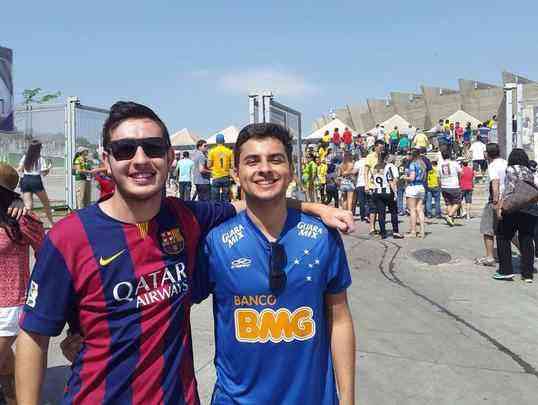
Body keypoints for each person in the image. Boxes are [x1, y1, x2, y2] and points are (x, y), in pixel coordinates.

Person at [18, 102, 354, 405]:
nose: (139, 160)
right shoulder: (69, 237)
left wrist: (311, 207)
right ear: (106, 160)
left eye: (152, 148)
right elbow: (33, 336)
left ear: (169, 157)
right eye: (124, 150)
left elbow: (254, 201)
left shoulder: (186, 218)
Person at [198, 122, 355, 404]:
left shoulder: (323, 237)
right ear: (236, 173)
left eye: (275, 159)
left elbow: (340, 319)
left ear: (291, 171)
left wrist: (348, 399)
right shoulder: (215, 242)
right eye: (252, 161)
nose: (265, 168)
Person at [0, 163, 45, 405]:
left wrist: (38, 290)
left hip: (9, 304)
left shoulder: (21, 220)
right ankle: (12, 398)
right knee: (5, 362)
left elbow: (46, 254)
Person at [493, 149, 538, 282]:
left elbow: (506, 190)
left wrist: (500, 208)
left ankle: (506, 271)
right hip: (530, 210)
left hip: (513, 209)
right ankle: (528, 274)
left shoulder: (509, 170)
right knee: (527, 238)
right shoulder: (531, 171)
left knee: (502, 236)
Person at [476, 143, 507, 267]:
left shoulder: (493, 166)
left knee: (487, 229)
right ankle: (526, 253)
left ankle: (490, 257)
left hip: (495, 201)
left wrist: (494, 202)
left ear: (488, 153)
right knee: (508, 230)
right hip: (507, 199)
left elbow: (495, 183)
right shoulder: (505, 163)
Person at [17, 139, 54, 226]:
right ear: (38, 149)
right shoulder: (40, 159)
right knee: (46, 203)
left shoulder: (25, 157)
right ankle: (52, 223)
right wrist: (49, 167)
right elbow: (44, 173)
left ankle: (24, 224)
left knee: (28, 206)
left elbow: (20, 169)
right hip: (36, 180)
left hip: (25, 180)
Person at [370, 154, 402, 238]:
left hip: (377, 191)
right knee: (393, 211)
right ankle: (395, 231)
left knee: (381, 213)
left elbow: (372, 180)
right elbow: (392, 180)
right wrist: (395, 193)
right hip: (387, 191)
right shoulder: (389, 167)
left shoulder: (375, 167)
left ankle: (383, 232)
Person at [365, 140, 385, 235]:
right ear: (375, 147)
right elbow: (366, 172)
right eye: (380, 148)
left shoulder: (382, 157)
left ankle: (381, 227)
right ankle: (372, 228)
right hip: (372, 186)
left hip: (381, 186)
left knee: (380, 208)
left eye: (382, 148)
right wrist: (366, 185)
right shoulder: (370, 157)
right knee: (373, 208)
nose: (381, 149)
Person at [405, 148, 427, 238]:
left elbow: (412, 178)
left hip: (413, 187)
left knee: (412, 210)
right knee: (420, 209)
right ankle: (422, 231)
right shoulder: (422, 164)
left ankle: (413, 231)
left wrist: (404, 177)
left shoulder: (413, 164)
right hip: (421, 187)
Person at [438, 148, 462, 226]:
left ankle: (450, 220)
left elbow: (438, 177)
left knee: (448, 203)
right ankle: (449, 215)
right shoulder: (454, 163)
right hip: (454, 185)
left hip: (444, 185)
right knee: (458, 202)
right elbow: (461, 172)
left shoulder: (439, 165)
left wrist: (440, 184)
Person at [208, 134, 234, 202]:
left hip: (216, 177)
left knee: (215, 199)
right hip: (226, 176)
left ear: (216, 141)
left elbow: (209, 165)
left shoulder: (212, 151)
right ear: (224, 141)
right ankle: (226, 211)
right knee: (225, 198)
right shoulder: (229, 151)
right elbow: (232, 166)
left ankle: (216, 211)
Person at [352, 150, 368, 220]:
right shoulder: (368, 162)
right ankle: (368, 214)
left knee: (361, 201)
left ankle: (362, 215)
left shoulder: (358, 163)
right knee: (368, 200)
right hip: (368, 183)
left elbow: (354, 172)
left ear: (361, 155)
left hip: (360, 183)